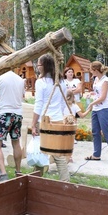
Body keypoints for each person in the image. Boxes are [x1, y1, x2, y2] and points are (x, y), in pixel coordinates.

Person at [31, 54, 69, 182]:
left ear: (45, 66)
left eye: (39, 64)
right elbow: (64, 103)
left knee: (40, 151)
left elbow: (38, 104)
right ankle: (65, 182)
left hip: (45, 121)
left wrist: (33, 124)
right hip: (57, 120)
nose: (37, 66)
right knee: (58, 154)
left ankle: (36, 180)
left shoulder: (41, 82)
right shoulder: (61, 82)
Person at [84, 61, 108, 165]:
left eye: (91, 70)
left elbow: (103, 97)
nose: (90, 72)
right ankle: (96, 155)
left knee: (106, 132)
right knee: (95, 132)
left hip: (105, 109)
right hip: (96, 110)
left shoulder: (105, 80)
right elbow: (97, 93)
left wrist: (91, 104)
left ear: (95, 70)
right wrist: (91, 94)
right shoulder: (96, 79)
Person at [64, 90, 91, 163]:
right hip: (71, 126)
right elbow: (82, 116)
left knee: (63, 141)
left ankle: (63, 156)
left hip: (63, 125)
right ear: (72, 97)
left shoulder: (62, 105)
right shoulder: (74, 106)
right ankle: (69, 157)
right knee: (70, 142)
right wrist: (88, 110)